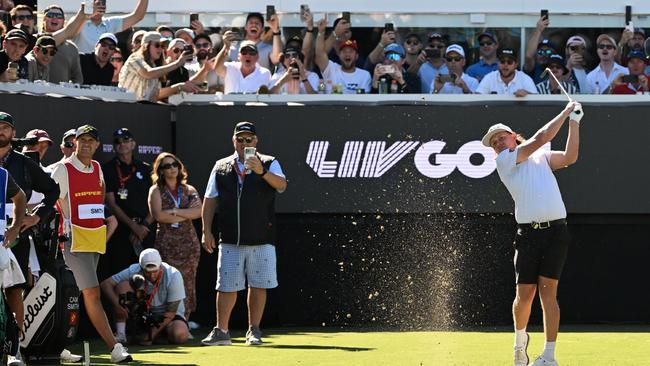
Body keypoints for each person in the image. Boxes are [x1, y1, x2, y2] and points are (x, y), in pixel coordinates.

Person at [481, 100, 583, 366]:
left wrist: (575, 122)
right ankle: (519, 344)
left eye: (501, 138)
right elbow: (542, 137)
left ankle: (549, 356)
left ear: (513, 136)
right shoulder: (504, 161)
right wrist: (565, 111)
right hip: (528, 234)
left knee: (548, 293)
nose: (498, 144)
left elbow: (570, 157)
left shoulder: (540, 157)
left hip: (556, 233)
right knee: (525, 293)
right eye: (494, 143)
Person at [50, 125, 132, 363]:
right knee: (92, 294)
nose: (86, 144)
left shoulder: (96, 167)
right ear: (74, 142)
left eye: (91, 140)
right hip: (72, 241)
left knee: (72, 295)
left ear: (97, 145)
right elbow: (53, 202)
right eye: (82, 140)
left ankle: (58, 346)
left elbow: (99, 194)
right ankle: (115, 348)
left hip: (94, 240)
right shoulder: (62, 169)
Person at [201, 121, 287, 347]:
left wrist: (261, 171)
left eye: (249, 139)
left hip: (261, 237)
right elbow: (210, 200)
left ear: (256, 141)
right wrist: (206, 230)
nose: (244, 143)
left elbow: (282, 185)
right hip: (230, 237)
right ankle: (221, 331)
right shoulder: (221, 166)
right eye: (240, 139)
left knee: (258, 284)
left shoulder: (269, 161)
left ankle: (254, 330)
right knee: (226, 285)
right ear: (233, 141)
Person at [0, 112, 59, 366]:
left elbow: (52, 190)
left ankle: (16, 350)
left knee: (14, 290)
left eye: (6, 128)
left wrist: (35, 218)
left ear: (13, 133)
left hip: (15, 238)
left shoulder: (24, 163)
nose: (1, 131)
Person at [147, 153, 201, 323]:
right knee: (167, 280)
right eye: (166, 166)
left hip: (188, 243)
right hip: (166, 243)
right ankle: (168, 320)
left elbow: (198, 211)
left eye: (174, 165)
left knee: (188, 281)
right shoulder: (155, 190)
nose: (171, 169)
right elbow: (159, 216)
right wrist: (186, 214)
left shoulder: (189, 189)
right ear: (160, 171)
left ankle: (185, 318)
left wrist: (174, 211)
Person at [100, 248, 189, 345]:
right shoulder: (134, 269)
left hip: (167, 317)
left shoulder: (173, 275)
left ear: (160, 267)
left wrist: (150, 337)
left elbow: (170, 313)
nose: (152, 276)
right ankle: (121, 334)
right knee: (122, 286)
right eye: (148, 272)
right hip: (143, 313)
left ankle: (155, 335)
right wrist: (117, 305)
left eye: (155, 271)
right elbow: (105, 284)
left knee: (180, 334)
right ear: (141, 268)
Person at [99, 128, 153, 282]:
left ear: (133, 144)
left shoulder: (145, 168)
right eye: (118, 141)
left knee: (148, 274)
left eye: (126, 140)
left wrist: (143, 226)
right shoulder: (107, 169)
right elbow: (110, 203)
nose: (122, 144)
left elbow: (156, 201)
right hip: (121, 231)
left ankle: (147, 306)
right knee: (120, 274)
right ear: (114, 146)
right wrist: (133, 227)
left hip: (145, 230)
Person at [119, 31, 200, 102]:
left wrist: (181, 87)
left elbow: (157, 95)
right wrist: (178, 63)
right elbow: (148, 73)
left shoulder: (155, 67)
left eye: (162, 46)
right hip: (126, 107)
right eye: (157, 45)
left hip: (142, 110)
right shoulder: (134, 58)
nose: (160, 49)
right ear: (146, 46)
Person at [315, 17, 371, 94]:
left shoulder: (364, 75)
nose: (347, 54)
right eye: (344, 51)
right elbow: (319, 55)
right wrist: (321, 31)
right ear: (339, 55)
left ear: (356, 56)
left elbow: (364, 101)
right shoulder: (331, 69)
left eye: (351, 51)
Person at [72, 0, 148, 54]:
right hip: (82, 71)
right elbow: (69, 34)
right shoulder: (79, 21)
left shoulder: (109, 23)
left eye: (103, 2)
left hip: (103, 72)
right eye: (98, 3)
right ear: (90, 4)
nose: (101, 5)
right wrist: (87, 15)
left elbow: (137, 16)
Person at [40, 4, 84, 84]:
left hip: (61, 95)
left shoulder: (72, 48)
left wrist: (70, 92)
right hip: (35, 94)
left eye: (59, 16)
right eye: (50, 15)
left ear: (64, 21)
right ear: (43, 19)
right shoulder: (35, 40)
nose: (55, 18)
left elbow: (77, 78)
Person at [524, 14, 555, 84]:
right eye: (540, 51)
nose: (544, 55)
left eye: (548, 52)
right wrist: (538, 30)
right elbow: (529, 56)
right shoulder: (533, 68)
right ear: (536, 54)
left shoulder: (558, 68)